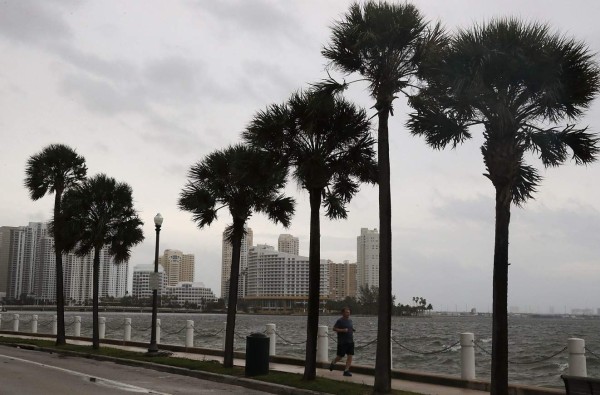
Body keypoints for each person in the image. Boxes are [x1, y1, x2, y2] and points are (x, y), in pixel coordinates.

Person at [329, 307, 355, 376]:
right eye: (346, 312)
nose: (348, 313)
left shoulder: (350, 320)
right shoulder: (340, 321)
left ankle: (346, 371)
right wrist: (342, 330)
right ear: (343, 313)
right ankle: (333, 362)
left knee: (350, 356)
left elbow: (350, 328)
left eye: (349, 312)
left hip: (350, 341)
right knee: (340, 356)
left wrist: (352, 330)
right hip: (342, 342)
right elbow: (334, 328)